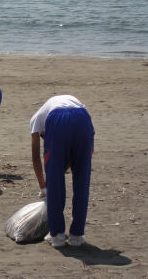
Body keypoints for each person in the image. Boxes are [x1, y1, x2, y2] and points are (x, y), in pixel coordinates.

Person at [30, 95, 94, 247]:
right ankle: (77, 236)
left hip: (58, 119)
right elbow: (90, 136)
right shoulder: (74, 103)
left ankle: (57, 236)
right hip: (83, 119)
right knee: (82, 180)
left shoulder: (35, 120)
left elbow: (36, 157)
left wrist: (43, 188)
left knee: (54, 181)